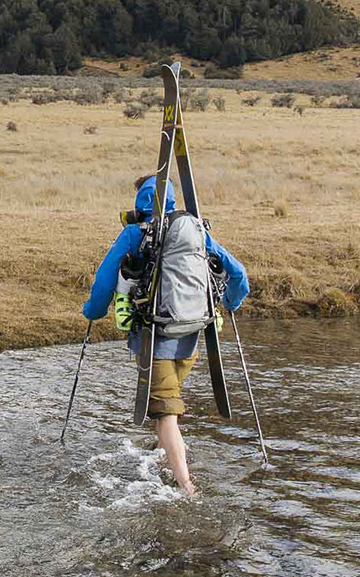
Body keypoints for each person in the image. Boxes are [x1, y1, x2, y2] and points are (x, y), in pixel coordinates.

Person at [83, 173, 248, 496]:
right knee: (165, 408)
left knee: (166, 414)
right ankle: (162, 467)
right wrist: (230, 302)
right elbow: (238, 273)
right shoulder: (195, 230)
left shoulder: (135, 233)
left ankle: (186, 486)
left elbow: (104, 281)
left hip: (154, 342)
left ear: (140, 199)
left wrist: (93, 311)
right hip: (191, 339)